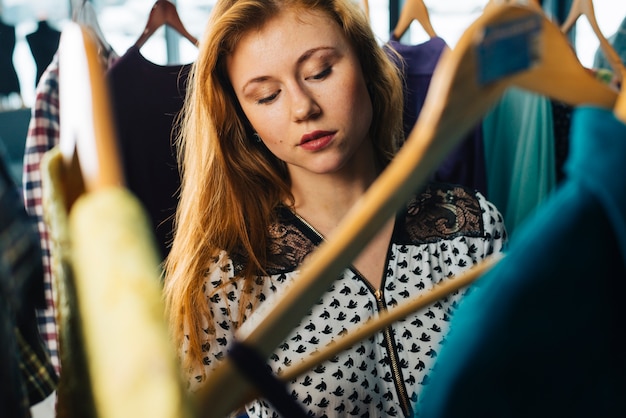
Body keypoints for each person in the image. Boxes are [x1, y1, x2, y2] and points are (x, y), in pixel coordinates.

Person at [163, 0, 507, 417]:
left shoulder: (470, 227)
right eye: (267, 95)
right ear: (243, 117)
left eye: (320, 72)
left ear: (365, 64)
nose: (302, 107)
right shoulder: (225, 279)